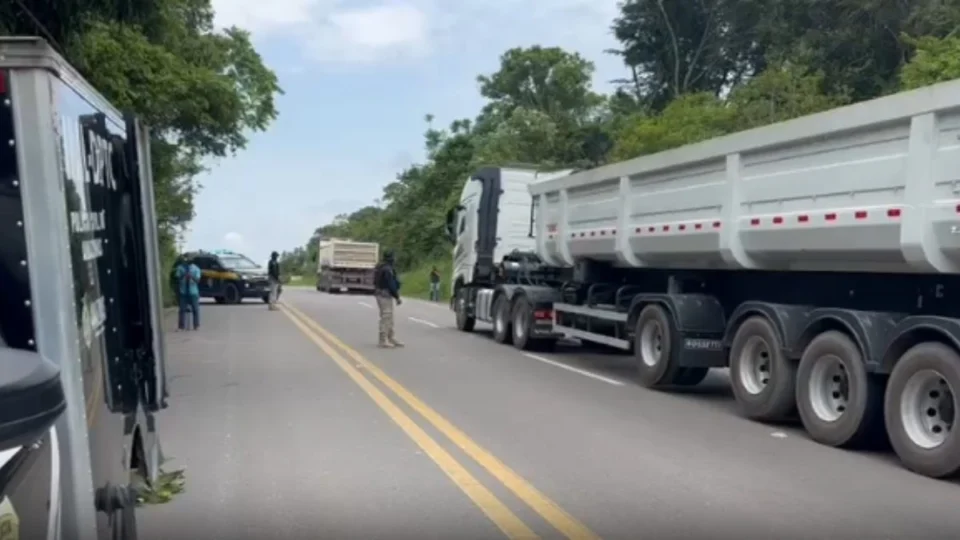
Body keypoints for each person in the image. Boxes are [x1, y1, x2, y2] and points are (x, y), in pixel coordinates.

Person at [373, 250, 403, 348]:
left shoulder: (380, 267)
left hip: (381, 294)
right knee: (386, 316)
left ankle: (390, 337)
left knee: (389, 317)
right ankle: (383, 339)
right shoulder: (387, 269)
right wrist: (397, 297)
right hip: (384, 294)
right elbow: (391, 284)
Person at [174, 256, 201, 331]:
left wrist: (191, 276)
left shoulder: (196, 268)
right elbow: (177, 279)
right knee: (182, 310)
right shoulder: (180, 268)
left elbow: (198, 281)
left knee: (195, 309)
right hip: (183, 292)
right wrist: (184, 275)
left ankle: (196, 325)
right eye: (186, 261)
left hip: (193, 292)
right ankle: (181, 326)